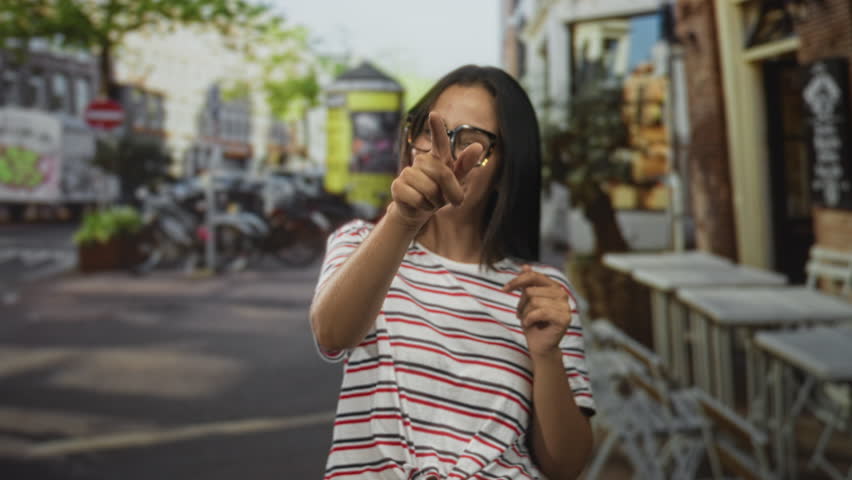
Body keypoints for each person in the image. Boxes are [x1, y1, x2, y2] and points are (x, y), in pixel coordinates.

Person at [310, 65, 595, 480]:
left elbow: (565, 465)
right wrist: (404, 219)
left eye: (471, 141)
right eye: (431, 129)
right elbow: (332, 334)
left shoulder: (543, 292)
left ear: (504, 170)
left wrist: (547, 354)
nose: (440, 153)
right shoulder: (360, 243)